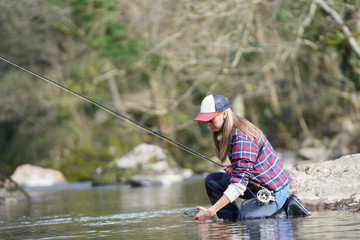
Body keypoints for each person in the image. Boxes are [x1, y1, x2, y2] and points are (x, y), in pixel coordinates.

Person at [192, 94, 292, 221]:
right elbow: (246, 166)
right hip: (254, 186)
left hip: (274, 191)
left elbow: (239, 184)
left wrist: (210, 212)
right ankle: (231, 221)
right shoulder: (230, 131)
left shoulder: (242, 137)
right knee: (212, 181)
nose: (208, 124)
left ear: (224, 114)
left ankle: (278, 212)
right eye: (205, 120)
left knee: (247, 220)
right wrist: (235, 168)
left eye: (211, 119)